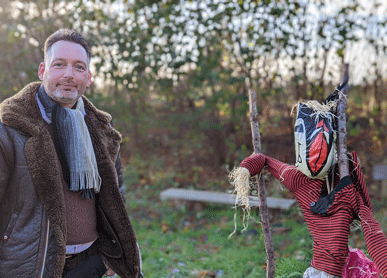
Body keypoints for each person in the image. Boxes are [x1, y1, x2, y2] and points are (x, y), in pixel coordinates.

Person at [0, 29, 142, 277]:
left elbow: (115, 195)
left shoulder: (103, 131)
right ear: (43, 70)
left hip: (90, 263)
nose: (69, 74)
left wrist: (111, 255)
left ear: (88, 77)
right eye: (59, 64)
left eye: (78, 67)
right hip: (29, 267)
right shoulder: (10, 130)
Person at [233, 151, 387, 277]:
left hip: (334, 270)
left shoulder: (347, 191)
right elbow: (265, 160)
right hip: (321, 270)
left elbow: (373, 233)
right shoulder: (299, 179)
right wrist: (245, 169)